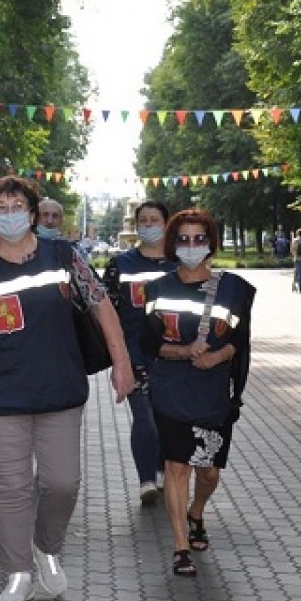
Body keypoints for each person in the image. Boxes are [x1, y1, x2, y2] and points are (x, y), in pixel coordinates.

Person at [0, 175, 134, 601]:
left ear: (31, 212)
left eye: (17, 206)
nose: (10, 214)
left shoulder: (63, 257)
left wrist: (122, 363)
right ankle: (18, 573)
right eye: (0, 208)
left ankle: (47, 548)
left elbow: (102, 304)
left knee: (63, 483)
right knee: (12, 486)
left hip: (59, 390)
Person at [141, 209, 255, 579]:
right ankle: (179, 545)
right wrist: (182, 352)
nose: (192, 246)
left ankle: (196, 511)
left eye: (199, 239)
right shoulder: (157, 290)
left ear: (211, 242)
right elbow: (149, 343)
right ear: (174, 243)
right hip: (171, 389)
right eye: (184, 239)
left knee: (208, 472)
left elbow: (240, 340)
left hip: (213, 392)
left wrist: (220, 354)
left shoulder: (234, 289)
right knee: (177, 466)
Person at [101, 200, 178, 506]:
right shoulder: (121, 265)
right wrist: (115, 357)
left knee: (167, 418)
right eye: (142, 220)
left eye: (154, 220)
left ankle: (161, 468)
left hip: (174, 357)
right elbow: (105, 311)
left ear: (166, 223)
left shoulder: (180, 265)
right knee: (144, 414)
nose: (148, 225)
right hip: (135, 355)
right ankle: (147, 478)